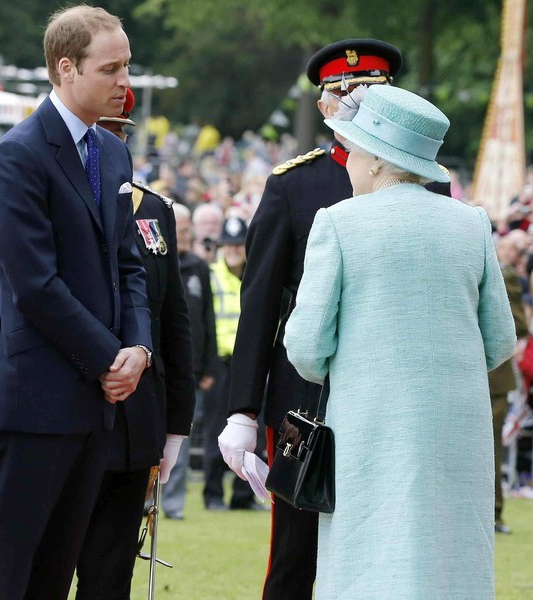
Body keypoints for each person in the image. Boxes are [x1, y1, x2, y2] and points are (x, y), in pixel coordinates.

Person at [283, 84, 516, 599]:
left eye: (351, 150)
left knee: (369, 559)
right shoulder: (472, 223)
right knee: (451, 559)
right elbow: (500, 339)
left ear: (374, 160)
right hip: (458, 428)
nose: (345, 161)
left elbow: (305, 345)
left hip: (371, 422)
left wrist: (356, 367)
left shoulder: (340, 222)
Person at [218, 39, 412, 600]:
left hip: (389, 390)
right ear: (324, 106)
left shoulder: (427, 182)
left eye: (367, 91)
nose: (352, 102)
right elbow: (259, 304)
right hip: (306, 397)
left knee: (385, 549)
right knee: (296, 555)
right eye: (341, 93)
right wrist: (242, 411)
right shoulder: (293, 185)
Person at [0, 7, 152, 599]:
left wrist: (138, 349)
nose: (125, 82)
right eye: (112, 69)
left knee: (54, 577)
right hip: (33, 403)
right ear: (66, 67)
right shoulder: (19, 156)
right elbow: (35, 286)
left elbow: (127, 265)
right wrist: (110, 359)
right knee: (6, 576)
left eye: (127, 66)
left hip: (95, 404)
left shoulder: (113, 153)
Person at [75, 95, 195, 598]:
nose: (110, 144)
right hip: (69, 412)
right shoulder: (44, 199)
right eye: (100, 131)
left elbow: (173, 325)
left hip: (135, 423)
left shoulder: (155, 211)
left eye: (119, 132)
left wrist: (174, 428)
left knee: (112, 571)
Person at [161, 202, 218, 519]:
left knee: (179, 439)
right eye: (180, 230)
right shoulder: (151, 262)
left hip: (190, 371)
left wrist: (209, 365)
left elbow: (207, 319)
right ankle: (144, 499)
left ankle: (173, 504)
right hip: (155, 368)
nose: (184, 235)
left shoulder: (199, 268)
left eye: (186, 230)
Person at [204, 217, 261, 511]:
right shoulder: (211, 275)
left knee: (254, 431)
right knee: (216, 430)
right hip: (221, 365)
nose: (234, 249)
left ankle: (243, 496)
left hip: (249, 365)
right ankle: (213, 495)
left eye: (239, 244)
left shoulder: (257, 273)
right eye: (229, 244)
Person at [490, 235, 529, 534]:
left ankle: (493, 513)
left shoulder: (504, 275)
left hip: (491, 377)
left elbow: (516, 325)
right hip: (471, 373)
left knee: (491, 450)